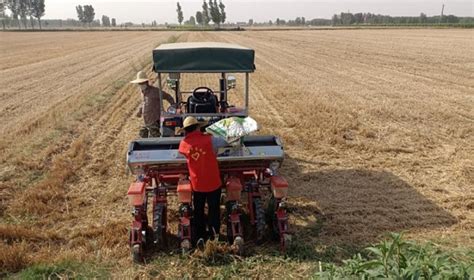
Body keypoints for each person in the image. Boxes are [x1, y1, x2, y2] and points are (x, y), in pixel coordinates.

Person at [178, 116, 227, 246]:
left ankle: (199, 236)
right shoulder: (210, 140)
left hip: (197, 183)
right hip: (213, 182)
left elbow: (184, 152)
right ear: (198, 127)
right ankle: (214, 235)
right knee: (214, 209)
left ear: (185, 130)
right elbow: (225, 141)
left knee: (198, 210)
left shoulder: (183, 144)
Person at [130, 71, 175, 138]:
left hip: (155, 119)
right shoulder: (143, 93)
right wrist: (139, 111)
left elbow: (168, 96)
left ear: (146, 82)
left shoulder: (155, 91)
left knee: (154, 137)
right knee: (142, 134)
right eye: (139, 83)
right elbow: (144, 103)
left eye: (142, 83)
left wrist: (173, 106)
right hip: (147, 120)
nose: (141, 85)